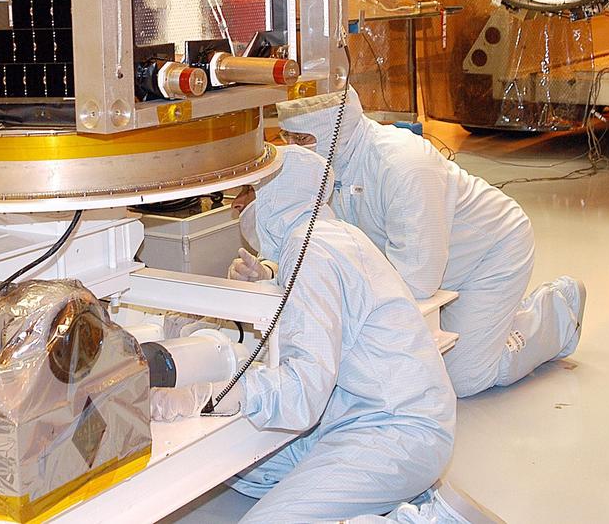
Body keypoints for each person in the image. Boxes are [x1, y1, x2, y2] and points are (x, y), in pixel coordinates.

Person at [151, 146, 457, 522]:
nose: (238, 203)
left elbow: (304, 390)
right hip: (356, 412)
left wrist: (216, 395)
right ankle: (389, 493)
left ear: (276, 194)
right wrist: (271, 278)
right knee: (245, 472)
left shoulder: (309, 252)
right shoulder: (327, 237)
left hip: (395, 430)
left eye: (248, 192)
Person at [276, 87, 585, 398]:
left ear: (335, 131)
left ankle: (558, 312)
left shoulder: (403, 165)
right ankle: (493, 317)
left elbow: (417, 282)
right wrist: (268, 266)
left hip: (491, 253)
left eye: (301, 140)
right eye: (285, 137)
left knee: (464, 377)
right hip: (431, 265)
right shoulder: (325, 166)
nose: (292, 149)